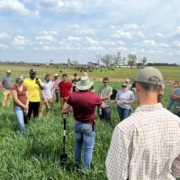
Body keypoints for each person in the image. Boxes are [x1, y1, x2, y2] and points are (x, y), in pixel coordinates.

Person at [106, 67, 180, 180]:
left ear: (137, 87)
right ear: (160, 89)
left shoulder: (125, 128)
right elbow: (177, 169)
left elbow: (116, 176)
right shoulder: (177, 122)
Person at [63, 76, 105, 171]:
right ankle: (85, 170)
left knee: (78, 145)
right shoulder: (94, 97)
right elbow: (102, 106)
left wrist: (75, 108)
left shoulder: (73, 95)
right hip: (88, 125)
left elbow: (65, 108)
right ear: (89, 86)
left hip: (77, 124)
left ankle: (76, 166)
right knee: (88, 149)